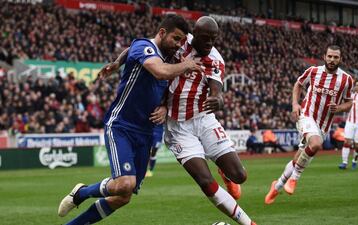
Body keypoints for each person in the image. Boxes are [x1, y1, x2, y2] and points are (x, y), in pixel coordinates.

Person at [108, 16, 257, 225]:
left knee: (239, 175)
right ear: (193, 35)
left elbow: (216, 90)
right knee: (205, 181)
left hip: (204, 120)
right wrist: (117, 62)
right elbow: (140, 47)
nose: (209, 43)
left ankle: (224, 169)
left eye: (213, 39)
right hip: (178, 128)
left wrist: (218, 99)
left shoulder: (215, 60)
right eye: (205, 38)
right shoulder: (178, 42)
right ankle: (249, 223)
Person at [57, 15, 202, 225]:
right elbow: (159, 71)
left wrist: (164, 106)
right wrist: (187, 65)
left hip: (145, 133)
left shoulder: (171, 57)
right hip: (121, 126)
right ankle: (82, 193)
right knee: (124, 183)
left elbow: (167, 89)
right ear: (162, 33)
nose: (179, 45)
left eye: (182, 41)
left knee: (123, 196)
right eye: (176, 38)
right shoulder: (145, 47)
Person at [265, 45, 354, 205]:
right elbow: (298, 84)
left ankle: (277, 186)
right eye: (330, 56)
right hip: (306, 115)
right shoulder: (313, 71)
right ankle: (294, 179)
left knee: (299, 158)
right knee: (316, 144)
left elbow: (349, 103)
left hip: (323, 126)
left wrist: (339, 108)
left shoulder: (346, 80)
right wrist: (295, 104)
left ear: (340, 59)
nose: (332, 60)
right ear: (324, 56)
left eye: (335, 57)